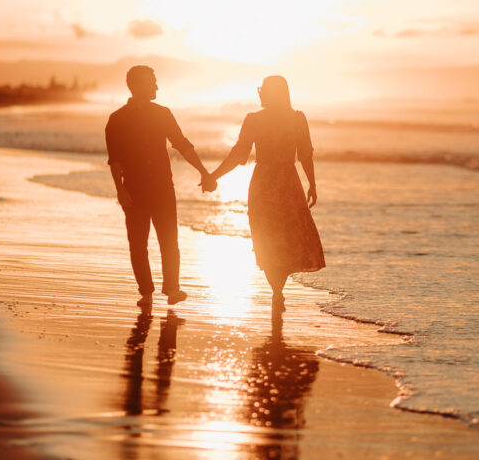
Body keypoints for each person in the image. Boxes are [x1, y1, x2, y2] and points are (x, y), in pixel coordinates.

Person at [203, 75, 324, 311]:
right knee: (287, 237)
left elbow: (239, 154)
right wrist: (312, 184)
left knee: (267, 236)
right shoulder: (297, 118)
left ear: (271, 93)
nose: (260, 93)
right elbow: (305, 154)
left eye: (263, 90)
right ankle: (278, 291)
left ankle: (276, 291)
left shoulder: (255, 120)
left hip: (265, 183)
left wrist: (213, 176)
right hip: (289, 182)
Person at [105, 65, 211, 307]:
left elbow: (182, 144)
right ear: (137, 85)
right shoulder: (117, 119)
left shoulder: (163, 113)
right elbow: (116, 161)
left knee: (169, 240)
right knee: (138, 242)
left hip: (163, 187)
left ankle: (172, 289)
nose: (157, 86)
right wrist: (120, 190)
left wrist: (204, 171)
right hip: (134, 190)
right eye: (152, 82)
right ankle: (146, 292)